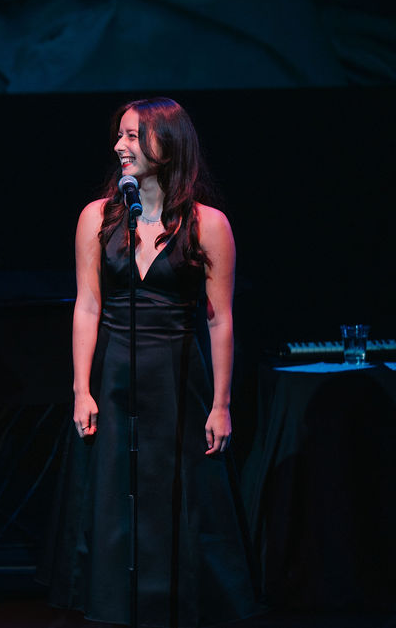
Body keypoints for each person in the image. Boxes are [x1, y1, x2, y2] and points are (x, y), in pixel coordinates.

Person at [37, 97, 258, 626]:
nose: (120, 145)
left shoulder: (208, 224)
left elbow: (220, 320)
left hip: (177, 378)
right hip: (113, 374)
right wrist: (81, 389)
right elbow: (87, 307)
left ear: (168, 143)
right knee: (114, 490)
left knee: (176, 489)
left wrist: (221, 404)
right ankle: (114, 602)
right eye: (120, 135)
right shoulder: (97, 217)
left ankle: (179, 601)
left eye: (133, 135)